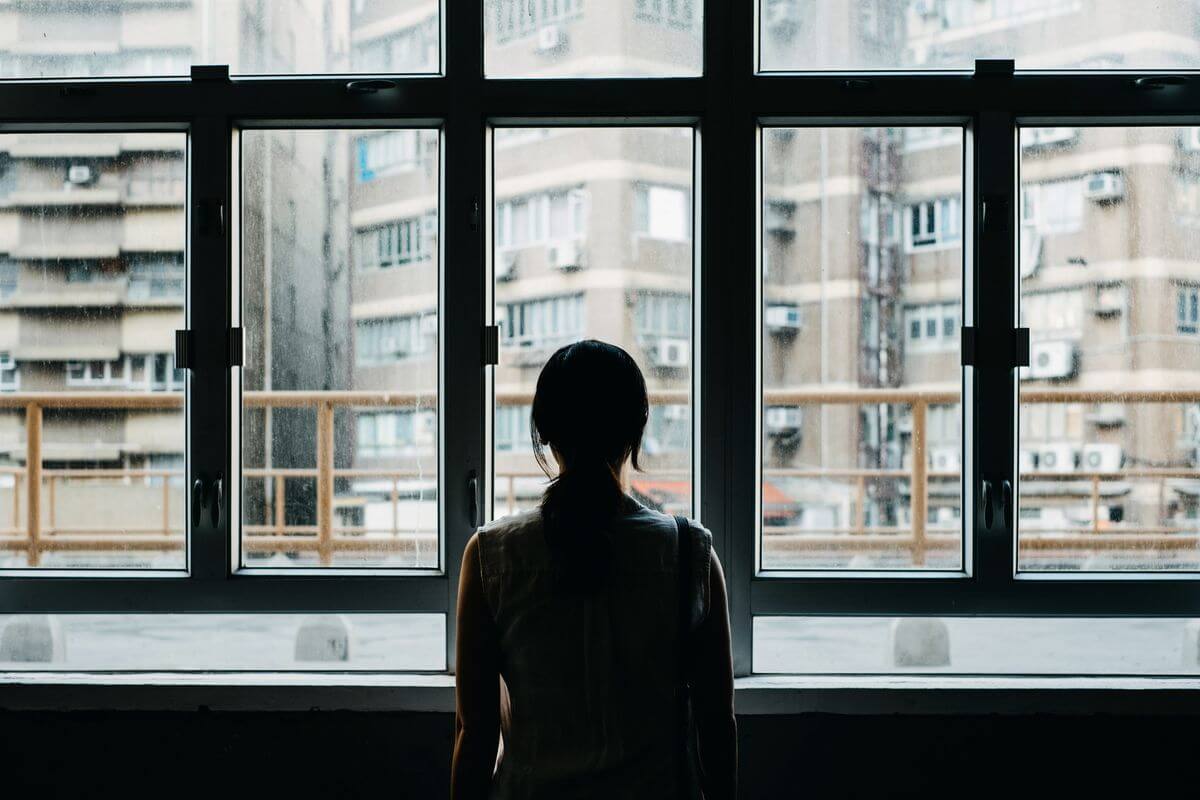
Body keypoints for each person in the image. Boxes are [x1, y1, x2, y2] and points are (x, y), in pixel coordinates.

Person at [452, 339, 736, 800]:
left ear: (543, 431)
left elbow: (475, 733)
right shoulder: (689, 554)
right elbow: (717, 728)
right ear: (636, 428)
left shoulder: (491, 557)